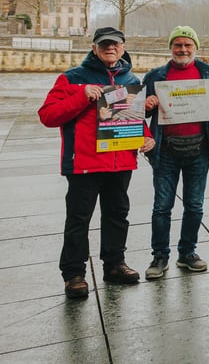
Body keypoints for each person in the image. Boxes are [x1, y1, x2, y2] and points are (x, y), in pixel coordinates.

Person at [38, 26, 155, 299]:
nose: (109, 48)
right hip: (84, 164)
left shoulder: (130, 79)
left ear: (123, 48)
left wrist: (146, 137)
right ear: (94, 48)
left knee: (117, 216)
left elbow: (131, 119)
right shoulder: (72, 79)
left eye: (115, 44)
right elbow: (47, 116)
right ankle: (74, 274)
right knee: (79, 220)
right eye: (104, 44)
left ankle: (114, 264)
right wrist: (81, 97)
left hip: (120, 162)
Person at [141, 26, 209, 280]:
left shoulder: (207, 72)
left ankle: (187, 252)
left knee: (195, 206)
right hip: (166, 150)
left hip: (198, 149)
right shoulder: (155, 76)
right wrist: (147, 106)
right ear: (171, 48)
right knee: (162, 207)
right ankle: (160, 255)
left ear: (195, 48)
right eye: (178, 45)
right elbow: (136, 114)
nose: (183, 50)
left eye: (188, 45)